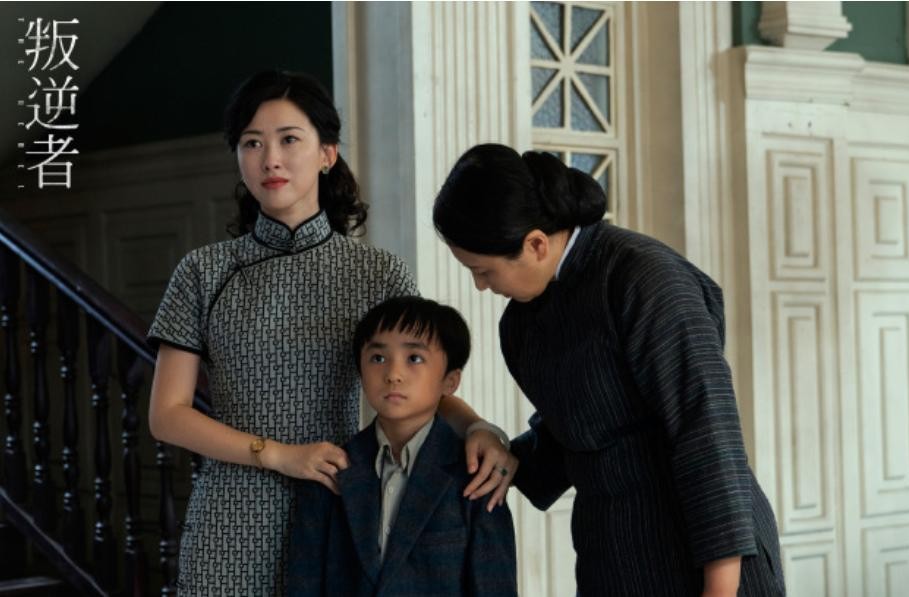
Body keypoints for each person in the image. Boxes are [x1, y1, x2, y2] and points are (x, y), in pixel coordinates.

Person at [146, 72, 512, 596]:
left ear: (327, 153)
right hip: (229, 521)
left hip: (343, 510)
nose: (270, 159)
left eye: (289, 139)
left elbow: (419, 382)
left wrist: (480, 428)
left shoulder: (377, 273)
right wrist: (278, 454)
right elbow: (167, 415)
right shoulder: (203, 272)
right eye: (252, 143)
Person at [432, 143, 786, 597]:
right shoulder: (520, 323)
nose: (481, 286)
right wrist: (493, 444)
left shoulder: (645, 278)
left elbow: (707, 433)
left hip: (705, 553)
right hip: (612, 553)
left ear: (536, 244)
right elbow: (573, 436)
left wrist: (720, 589)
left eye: (483, 271)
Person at [287, 296, 518, 596]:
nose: (393, 374)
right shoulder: (329, 471)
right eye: (378, 358)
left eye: (414, 358)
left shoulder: (477, 475)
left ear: (450, 381)